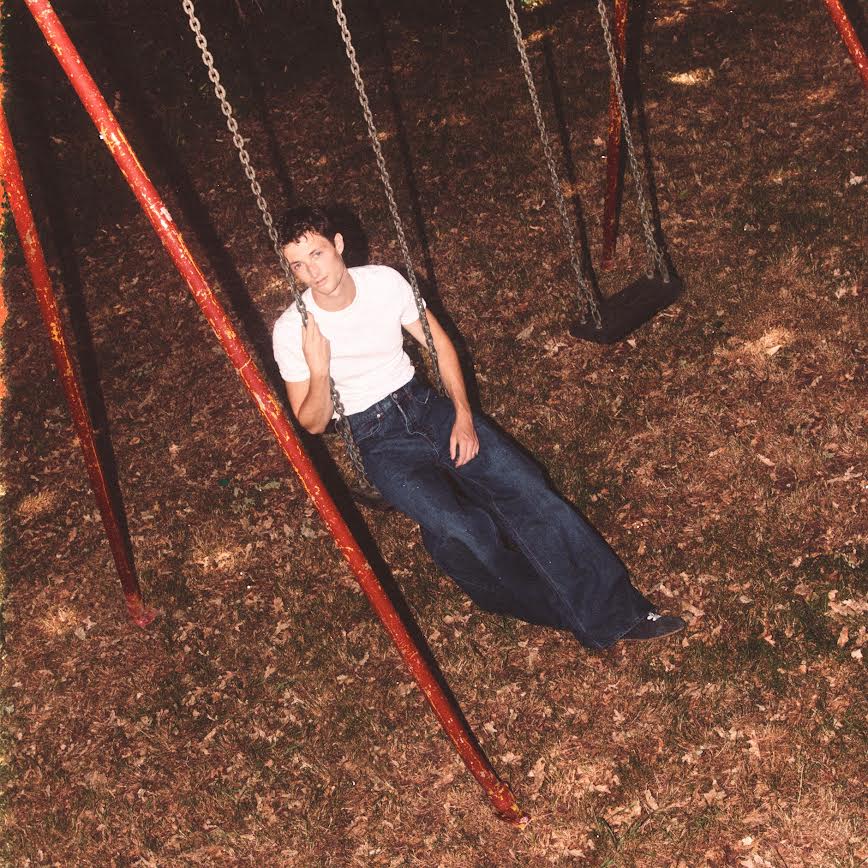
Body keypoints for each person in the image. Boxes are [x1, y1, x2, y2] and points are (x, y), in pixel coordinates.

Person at [272, 206, 685, 649]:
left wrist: (464, 416)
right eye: (298, 264)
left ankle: (617, 613)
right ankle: (549, 605)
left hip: (425, 405)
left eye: (316, 254)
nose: (312, 272)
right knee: (465, 535)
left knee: (525, 487)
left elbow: (440, 346)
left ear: (337, 245)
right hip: (376, 439)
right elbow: (311, 422)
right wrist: (319, 370)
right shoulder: (292, 329)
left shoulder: (383, 282)